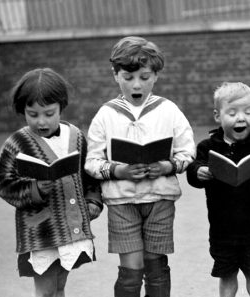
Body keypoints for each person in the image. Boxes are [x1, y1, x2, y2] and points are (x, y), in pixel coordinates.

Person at [85, 36, 196, 297]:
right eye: (128, 77)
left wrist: (167, 166)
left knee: (156, 265)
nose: (136, 84)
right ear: (115, 75)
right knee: (131, 269)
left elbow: (187, 151)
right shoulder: (106, 114)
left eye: (145, 77)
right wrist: (118, 171)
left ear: (156, 76)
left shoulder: (169, 110)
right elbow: (92, 161)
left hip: (160, 199)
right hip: (121, 202)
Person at [0, 68, 103, 297]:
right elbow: (2, 181)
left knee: (60, 286)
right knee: (45, 291)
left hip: (70, 227)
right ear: (23, 111)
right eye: (32, 114)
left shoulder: (76, 136)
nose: (41, 121)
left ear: (61, 107)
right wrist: (33, 189)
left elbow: (89, 174)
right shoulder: (17, 142)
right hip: (40, 231)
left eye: (49, 113)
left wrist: (93, 200)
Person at [186, 82, 250, 297]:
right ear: (217, 116)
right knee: (227, 276)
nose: (241, 118)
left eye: (248, 112)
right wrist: (199, 171)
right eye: (232, 113)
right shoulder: (207, 146)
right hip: (222, 230)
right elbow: (192, 170)